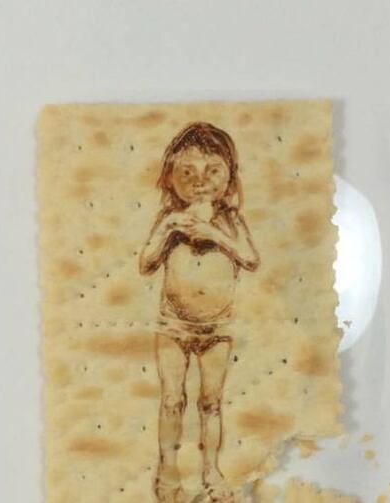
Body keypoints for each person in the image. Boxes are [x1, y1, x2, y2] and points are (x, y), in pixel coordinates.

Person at [139, 122, 260, 503]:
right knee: (172, 400)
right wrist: (168, 230)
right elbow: (145, 263)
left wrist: (216, 236)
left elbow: (250, 259)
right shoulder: (168, 218)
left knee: (211, 402)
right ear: (170, 177)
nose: (200, 182)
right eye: (187, 173)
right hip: (173, 324)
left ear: (229, 177)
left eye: (212, 172)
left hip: (217, 326)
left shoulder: (230, 221)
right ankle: (167, 472)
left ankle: (211, 471)